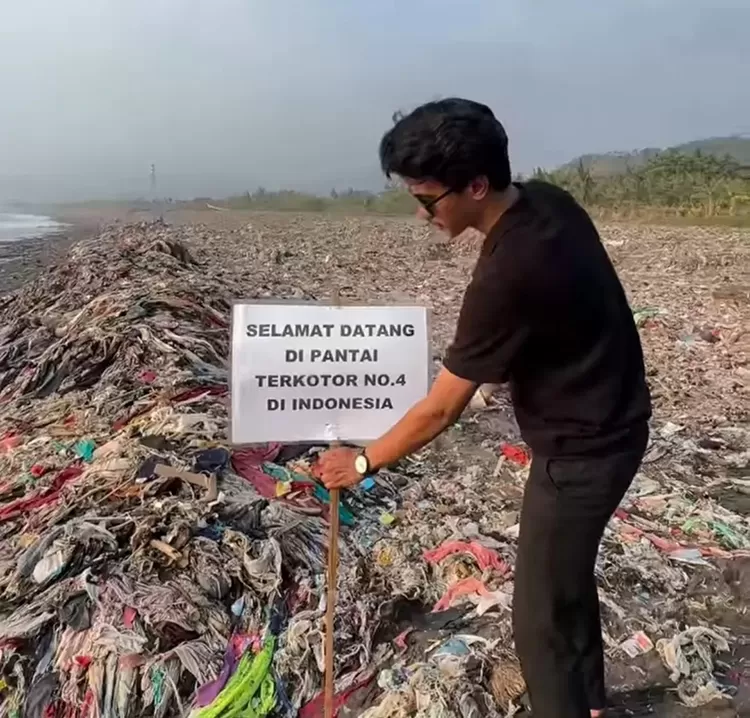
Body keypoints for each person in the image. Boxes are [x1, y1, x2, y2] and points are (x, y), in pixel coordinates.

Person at [317, 98, 651, 718]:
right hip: (619, 420)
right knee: (566, 581)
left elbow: (442, 408)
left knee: (539, 616)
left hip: (581, 452)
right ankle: (591, 703)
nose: (422, 216)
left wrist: (361, 464)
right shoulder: (549, 203)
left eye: (427, 200)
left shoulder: (507, 274)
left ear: (476, 184)